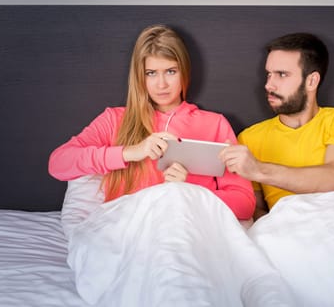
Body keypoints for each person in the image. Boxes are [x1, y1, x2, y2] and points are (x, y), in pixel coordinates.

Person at [48, 24, 255, 220]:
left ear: (184, 71)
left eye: (171, 71)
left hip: (184, 226)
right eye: (151, 73)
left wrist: (189, 192)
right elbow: (58, 164)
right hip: (128, 230)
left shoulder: (214, 124)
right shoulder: (114, 119)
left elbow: (245, 204)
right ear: (140, 76)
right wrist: (131, 152)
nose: (161, 84)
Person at [219, 32, 334, 220]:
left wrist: (259, 169)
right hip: (290, 233)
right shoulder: (250, 138)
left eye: (282, 75)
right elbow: (255, 209)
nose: (269, 85)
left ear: (311, 81)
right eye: (268, 74)